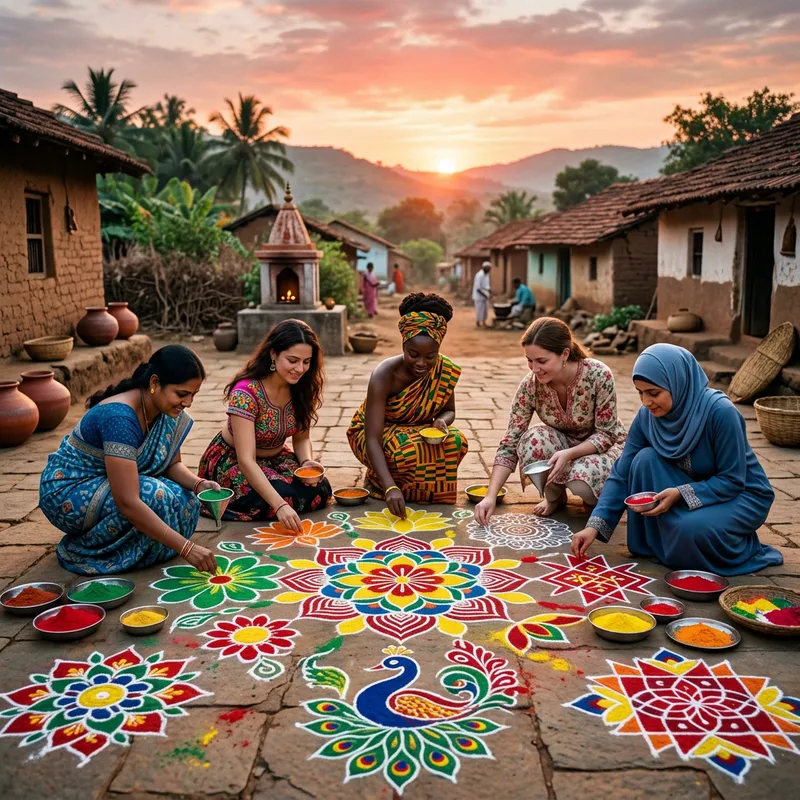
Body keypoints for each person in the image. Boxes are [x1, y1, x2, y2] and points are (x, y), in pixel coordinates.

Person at [571, 344, 783, 575]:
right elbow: (622, 472)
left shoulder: (721, 413)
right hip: (688, 485)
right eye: (640, 393)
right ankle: (662, 542)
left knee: (690, 530)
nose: (646, 402)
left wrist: (681, 493)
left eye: (654, 393)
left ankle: (739, 545)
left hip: (741, 494)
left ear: (678, 382)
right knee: (643, 460)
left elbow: (733, 480)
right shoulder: (648, 417)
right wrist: (594, 525)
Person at [39, 345, 218, 576]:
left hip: (109, 484)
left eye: (194, 394)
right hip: (70, 489)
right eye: (182, 394)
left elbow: (172, 465)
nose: (188, 403)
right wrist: (187, 548)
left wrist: (198, 484)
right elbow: (127, 501)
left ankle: (151, 543)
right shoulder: (120, 418)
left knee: (187, 499)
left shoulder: (165, 412)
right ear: (155, 384)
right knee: (154, 495)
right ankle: (92, 547)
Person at [475, 317, 626, 525]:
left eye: (542, 361)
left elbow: (606, 435)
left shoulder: (599, 375)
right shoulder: (531, 385)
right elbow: (511, 442)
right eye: (529, 360)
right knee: (532, 439)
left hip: (600, 449)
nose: (534, 369)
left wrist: (569, 454)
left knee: (581, 480)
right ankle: (555, 497)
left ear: (565, 354)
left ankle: (595, 500)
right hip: (561, 446)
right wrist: (490, 496)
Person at [198, 319, 332, 528]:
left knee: (321, 488)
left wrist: (306, 463)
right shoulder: (246, 393)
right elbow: (246, 460)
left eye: (306, 362)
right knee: (281, 497)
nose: (300, 368)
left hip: (277, 458)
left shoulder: (302, 388)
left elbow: (302, 438)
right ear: (273, 354)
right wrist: (279, 505)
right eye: (293, 360)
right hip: (236, 461)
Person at [347, 293, 468, 517]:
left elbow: (449, 410)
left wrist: (442, 420)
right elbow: (372, 436)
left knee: (456, 441)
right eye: (413, 354)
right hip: (376, 432)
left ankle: (420, 489)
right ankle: (380, 481)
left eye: (430, 356)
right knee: (404, 451)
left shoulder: (444, 370)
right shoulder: (384, 374)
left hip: (417, 430)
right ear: (403, 344)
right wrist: (390, 488)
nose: (422, 363)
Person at [472, 261, 492, 327]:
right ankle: (478, 322)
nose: (489, 270)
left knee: (485, 310)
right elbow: (478, 288)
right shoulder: (479, 275)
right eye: (488, 268)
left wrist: (489, 291)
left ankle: (484, 322)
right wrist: (485, 295)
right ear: (484, 268)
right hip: (479, 296)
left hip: (485, 295)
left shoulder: (487, 274)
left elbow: (486, 285)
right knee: (479, 310)